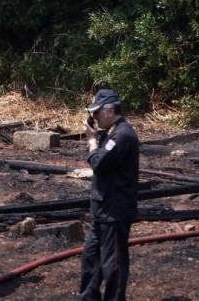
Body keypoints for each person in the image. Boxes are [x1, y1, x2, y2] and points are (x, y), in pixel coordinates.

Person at [79, 89, 140, 301]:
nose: (94, 118)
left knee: (112, 264)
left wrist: (92, 141)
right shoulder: (110, 133)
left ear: (110, 111)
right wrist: (96, 136)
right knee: (90, 260)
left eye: (97, 113)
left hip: (114, 211)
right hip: (101, 209)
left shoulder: (122, 135)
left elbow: (99, 163)